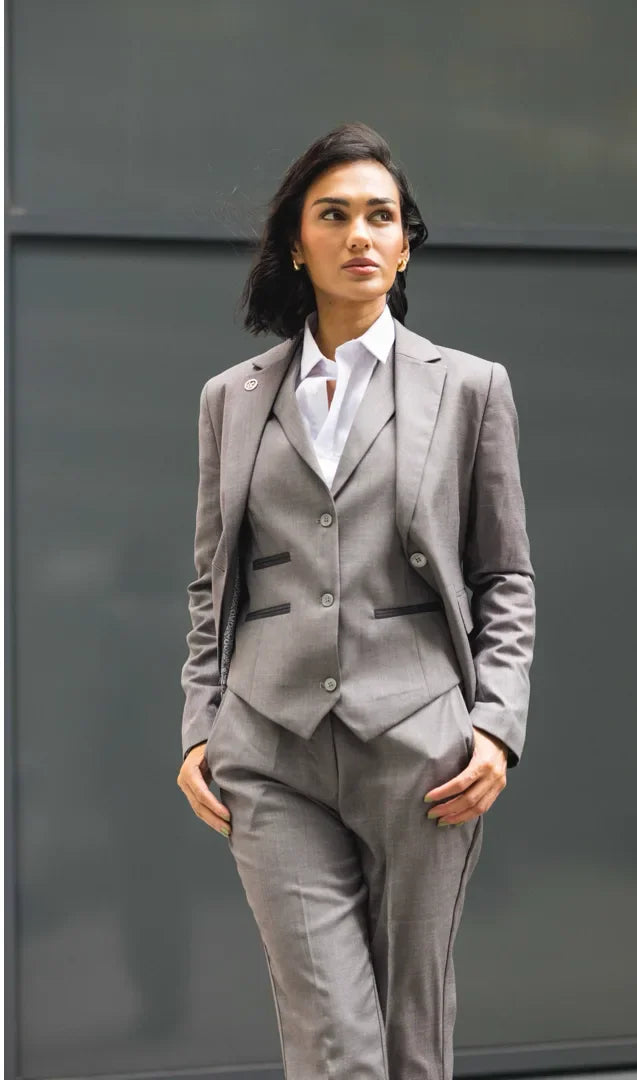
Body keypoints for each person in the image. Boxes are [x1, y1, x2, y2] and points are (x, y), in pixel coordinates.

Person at [175, 121, 535, 1079]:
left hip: (424, 751)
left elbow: (506, 576)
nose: (360, 235)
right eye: (333, 215)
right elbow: (215, 577)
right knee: (335, 1040)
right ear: (299, 242)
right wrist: (199, 725)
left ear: (405, 242)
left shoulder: (468, 389)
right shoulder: (233, 398)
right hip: (269, 748)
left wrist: (495, 725)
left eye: (381, 216)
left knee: (413, 1039)